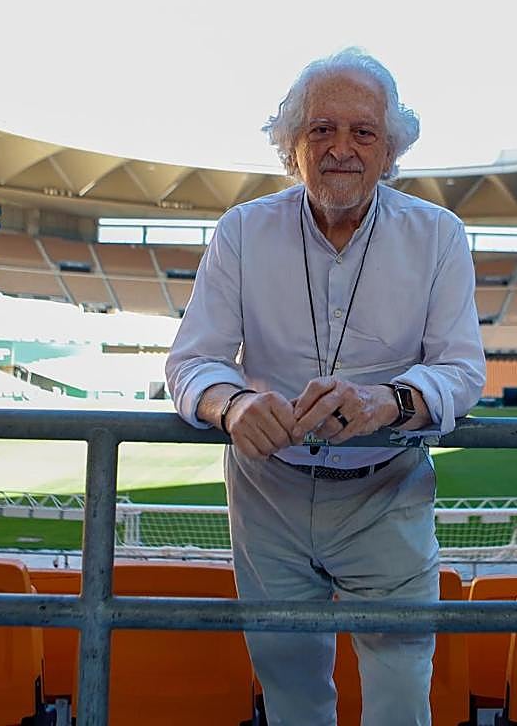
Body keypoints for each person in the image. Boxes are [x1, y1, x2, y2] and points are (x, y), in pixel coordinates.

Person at [165, 48, 486, 726]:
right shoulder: (242, 231)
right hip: (267, 494)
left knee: (401, 693)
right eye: (322, 129)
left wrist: (388, 402)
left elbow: (462, 370)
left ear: (390, 149)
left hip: (388, 490)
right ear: (292, 144)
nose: (342, 148)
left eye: (363, 132)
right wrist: (234, 404)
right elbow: (192, 363)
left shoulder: (439, 237)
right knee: (290, 690)